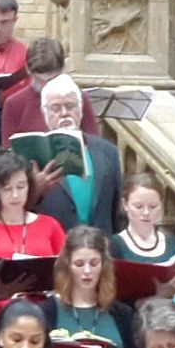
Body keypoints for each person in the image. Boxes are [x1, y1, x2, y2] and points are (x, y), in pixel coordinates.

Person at [29, 75, 123, 237]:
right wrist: (35, 191)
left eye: (70, 106)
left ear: (81, 109)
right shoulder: (31, 154)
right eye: (56, 108)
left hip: (100, 251)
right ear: (44, 113)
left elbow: (116, 213)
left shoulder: (108, 152)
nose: (64, 113)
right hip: (54, 249)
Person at [0, 37, 100, 148]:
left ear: (62, 68)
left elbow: (95, 144)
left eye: (52, 79)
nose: (46, 86)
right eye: (40, 80)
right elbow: (8, 151)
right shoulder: (14, 104)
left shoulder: (77, 98)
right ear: (28, 70)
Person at [0, 155, 64, 260]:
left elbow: (65, 268)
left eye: (21, 187)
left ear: (29, 187)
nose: (15, 195)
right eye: (7, 189)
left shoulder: (51, 225)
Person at [109, 173, 175, 295]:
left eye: (153, 206)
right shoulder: (113, 247)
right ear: (125, 205)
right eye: (138, 206)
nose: (146, 213)